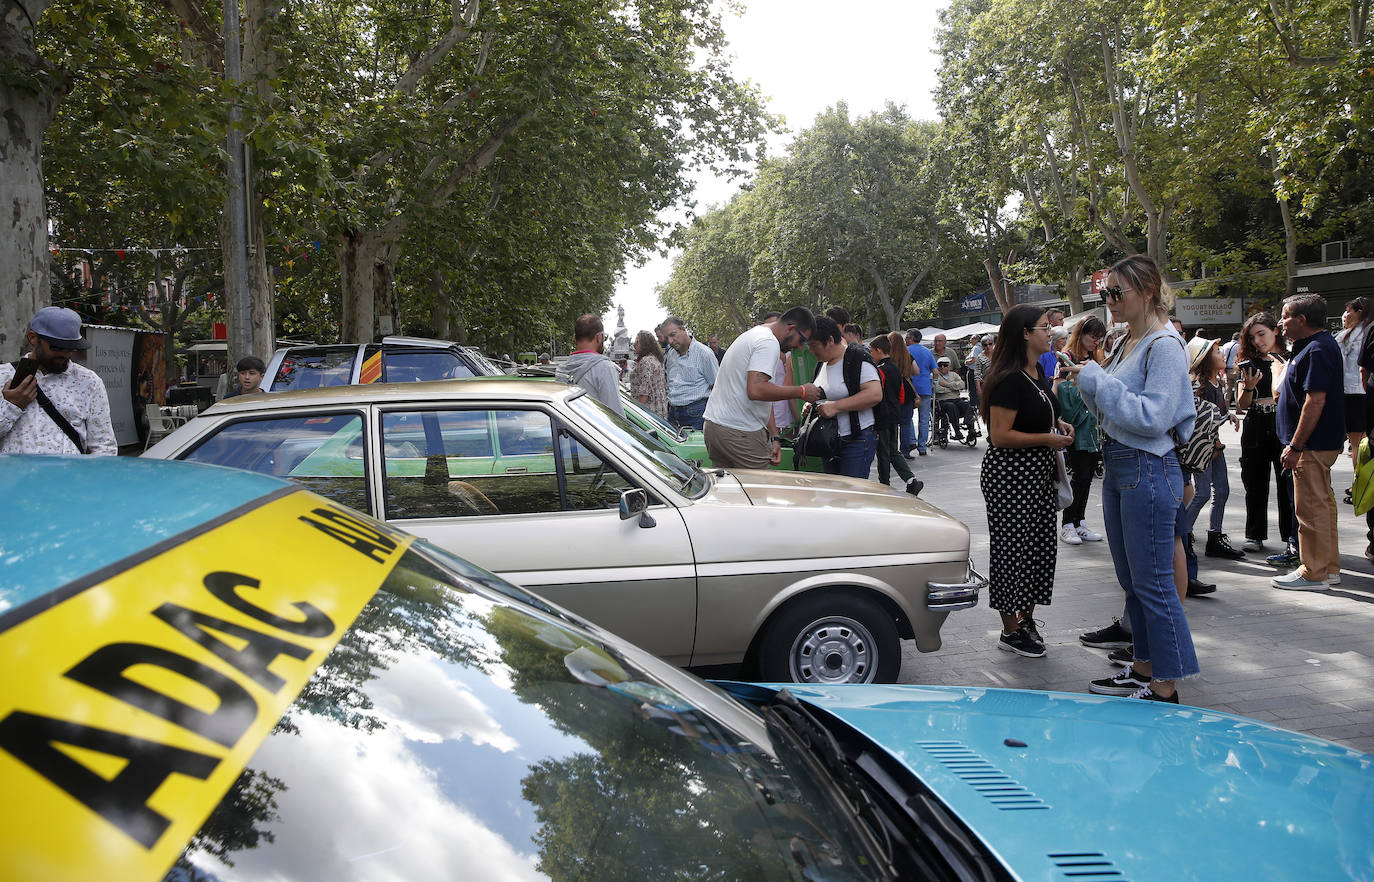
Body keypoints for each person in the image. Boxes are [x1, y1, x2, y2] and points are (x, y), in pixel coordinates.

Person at [1063, 255, 1199, 703]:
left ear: (1147, 290)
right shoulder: (1127, 342)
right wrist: (1091, 382)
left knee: (1155, 582)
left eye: (1116, 292)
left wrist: (1099, 380)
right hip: (1122, 465)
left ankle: (1165, 687)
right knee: (1132, 579)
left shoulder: (1163, 344)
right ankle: (1143, 669)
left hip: (1147, 465)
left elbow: (1153, 416)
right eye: (1105, 293)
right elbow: (1111, 411)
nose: (1109, 301)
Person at [980, 305, 1075, 659]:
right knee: (1011, 552)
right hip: (1010, 477)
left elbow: (1040, 412)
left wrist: (1058, 424)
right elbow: (1000, 436)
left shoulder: (1034, 371)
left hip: (1036, 476)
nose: (1050, 332)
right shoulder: (1007, 377)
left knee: (1039, 550)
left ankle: (1026, 619)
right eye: (1044, 327)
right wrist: (1047, 440)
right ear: (1024, 333)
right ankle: (1010, 629)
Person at [1271, 295, 1344, 590]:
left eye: (1285, 316)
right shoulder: (1318, 346)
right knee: (1322, 506)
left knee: (1311, 509)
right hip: (1316, 443)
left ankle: (1313, 572)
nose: (1280, 323)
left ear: (1302, 320)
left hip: (1312, 445)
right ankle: (1327, 567)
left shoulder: (1316, 349)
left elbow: (1315, 400)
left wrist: (1296, 445)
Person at [702, 307, 818, 469]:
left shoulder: (755, 334)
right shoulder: (768, 342)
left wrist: (775, 437)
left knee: (729, 491)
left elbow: (763, 395)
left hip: (715, 427)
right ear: (791, 328)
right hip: (739, 432)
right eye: (802, 341)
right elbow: (756, 390)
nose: (799, 348)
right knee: (759, 489)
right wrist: (802, 391)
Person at [0, 306, 116, 455]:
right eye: (56, 347)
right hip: (14, 476)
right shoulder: (4, 376)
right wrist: (12, 406)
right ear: (33, 338)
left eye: (70, 348)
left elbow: (104, 446)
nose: (64, 354)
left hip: (68, 476)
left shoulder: (89, 382)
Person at [1235, 312, 1296, 562]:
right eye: (1253, 337)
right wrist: (1248, 386)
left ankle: (1290, 538)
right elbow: (1242, 404)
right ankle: (1255, 534)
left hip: (1282, 422)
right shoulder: (1249, 362)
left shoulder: (1290, 357)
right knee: (1254, 480)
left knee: (1286, 483)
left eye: (1262, 334)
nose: (1258, 341)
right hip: (1257, 422)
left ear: (1276, 330)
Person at [1184, 336, 1245, 561]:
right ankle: (1182, 534)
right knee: (1203, 493)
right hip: (1206, 450)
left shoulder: (1217, 383)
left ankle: (1214, 537)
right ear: (1205, 359)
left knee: (1223, 491)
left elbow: (1214, 414)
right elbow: (1199, 420)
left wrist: (1226, 415)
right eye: (1218, 352)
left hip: (1215, 447)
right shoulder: (1200, 387)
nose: (1223, 355)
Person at [1054, 315, 1107, 546]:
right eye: (1092, 337)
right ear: (1081, 333)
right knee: (1080, 474)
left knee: (1086, 477)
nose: (1096, 342)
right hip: (1075, 425)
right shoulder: (1066, 358)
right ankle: (1068, 524)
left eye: (1099, 338)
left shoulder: (1094, 358)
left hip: (1093, 427)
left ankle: (1079, 522)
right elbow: (1057, 390)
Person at [807, 316, 881, 479]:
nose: (811, 351)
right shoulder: (822, 363)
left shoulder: (856, 357)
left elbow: (875, 394)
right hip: (830, 441)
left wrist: (836, 407)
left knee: (852, 496)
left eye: (814, 345)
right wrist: (810, 405)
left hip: (856, 440)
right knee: (835, 495)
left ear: (830, 340)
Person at [870, 334, 923, 495]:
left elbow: (876, 394)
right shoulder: (895, 368)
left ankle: (884, 484)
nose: (871, 354)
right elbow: (900, 394)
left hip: (882, 415)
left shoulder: (879, 371)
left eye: (872, 351)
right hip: (894, 413)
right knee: (894, 450)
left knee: (884, 452)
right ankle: (910, 480)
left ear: (879, 350)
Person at [555, 314, 624, 416]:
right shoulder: (604, 368)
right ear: (599, 337)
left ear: (574, 338)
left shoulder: (561, 370)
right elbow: (616, 416)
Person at [1336, 297, 1371, 490]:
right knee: (1366, 440)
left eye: (1349, 311)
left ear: (1359, 312)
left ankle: (1360, 484)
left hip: (1352, 393)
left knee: (1357, 443)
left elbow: (1337, 367)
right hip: (1367, 392)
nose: (1345, 315)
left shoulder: (1345, 337)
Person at [662, 317, 718, 430]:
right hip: (673, 413)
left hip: (697, 414)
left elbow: (716, 387)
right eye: (667, 338)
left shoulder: (704, 354)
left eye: (673, 334)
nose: (670, 341)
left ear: (683, 329)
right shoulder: (671, 354)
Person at [904, 329, 937, 456]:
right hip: (925, 388)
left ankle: (912, 439)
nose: (906, 340)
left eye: (907, 338)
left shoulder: (906, 351)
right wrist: (934, 384)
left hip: (910, 388)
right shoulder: (927, 352)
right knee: (924, 419)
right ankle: (922, 447)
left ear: (911, 338)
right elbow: (935, 372)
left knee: (908, 416)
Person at [933, 356, 976, 441]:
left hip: (956, 399)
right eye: (940, 365)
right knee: (951, 406)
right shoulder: (935, 376)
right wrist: (953, 387)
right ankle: (957, 431)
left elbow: (962, 385)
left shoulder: (954, 375)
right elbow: (937, 389)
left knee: (967, 404)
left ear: (949, 366)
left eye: (945, 365)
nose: (942, 367)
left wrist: (947, 385)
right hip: (943, 401)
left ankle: (970, 428)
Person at [629, 330, 669, 418]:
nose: (634, 344)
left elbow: (644, 391)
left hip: (648, 409)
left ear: (645, 344)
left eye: (637, 342)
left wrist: (637, 413)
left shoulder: (646, 361)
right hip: (659, 408)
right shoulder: (656, 359)